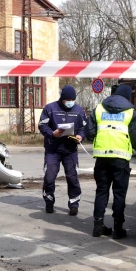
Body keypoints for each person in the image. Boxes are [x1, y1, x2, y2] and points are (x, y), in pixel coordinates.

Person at [87, 84, 136, 239]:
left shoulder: (99, 109)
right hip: (121, 160)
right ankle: (118, 229)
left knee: (101, 191)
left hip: (102, 158)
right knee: (119, 194)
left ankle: (98, 227)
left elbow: (90, 133)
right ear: (127, 97)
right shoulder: (132, 112)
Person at [38, 85, 87, 216]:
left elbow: (84, 128)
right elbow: (42, 125)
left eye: (73, 99)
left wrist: (80, 136)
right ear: (62, 98)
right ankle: (49, 201)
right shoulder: (50, 108)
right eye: (68, 99)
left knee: (72, 178)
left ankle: (74, 203)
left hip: (70, 150)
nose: (70, 101)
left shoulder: (79, 110)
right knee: (49, 176)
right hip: (52, 149)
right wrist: (52, 133)